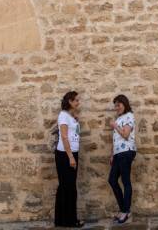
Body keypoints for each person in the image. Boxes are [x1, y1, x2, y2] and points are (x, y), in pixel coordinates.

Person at [55, 91, 84, 228]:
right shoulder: (63, 116)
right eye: (76, 100)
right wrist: (71, 157)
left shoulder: (70, 117)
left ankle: (62, 220)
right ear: (70, 102)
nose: (78, 102)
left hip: (71, 153)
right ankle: (70, 220)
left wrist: (75, 121)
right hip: (65, 155)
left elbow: (75, 134)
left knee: (67, 187)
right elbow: (64, 137)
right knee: (69, 188)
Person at [108, 94, 136, 225]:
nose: (116, 107)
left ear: (125, 104)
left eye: (118, 105)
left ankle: (125, 211)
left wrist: (115, 126)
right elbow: (115, 139)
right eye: (115, 105)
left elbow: (125, 135)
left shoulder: (129, 116)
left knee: (125, 181)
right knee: (112, 180)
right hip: (118, 153)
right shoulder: (119, 118)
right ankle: (123, 209)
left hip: (127, 152)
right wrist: (112, 154)